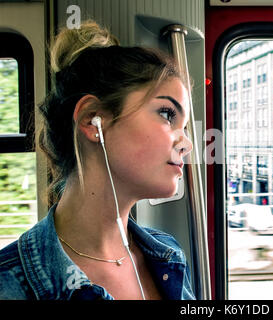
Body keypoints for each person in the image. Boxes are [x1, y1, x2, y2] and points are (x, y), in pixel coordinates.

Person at [0, 21, 196, 300]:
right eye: (167, 115)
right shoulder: (8, 285)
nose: (186, 144)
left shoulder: (168, 256)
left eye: (185, 126)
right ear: (93, 121)